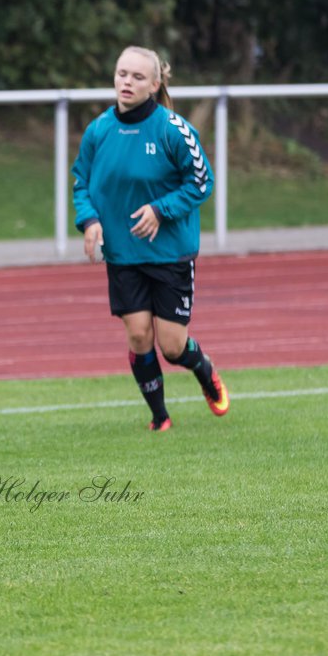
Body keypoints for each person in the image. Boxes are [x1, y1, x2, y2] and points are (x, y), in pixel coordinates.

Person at [71, 45, 230, 431]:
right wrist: (89, 220)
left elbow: (202, 181)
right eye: (122, 73)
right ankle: (160, 417)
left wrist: (161, 209)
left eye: (138, 77)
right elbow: (81, 183)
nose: (127, 82)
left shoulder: (173, 130)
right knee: (139, 336)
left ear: (155, 84)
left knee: (173, 347)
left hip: (170, 255)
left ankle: (204, 369)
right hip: (123, 255)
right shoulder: (98, 130)